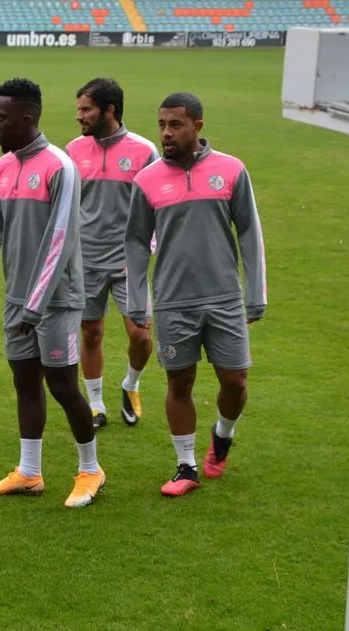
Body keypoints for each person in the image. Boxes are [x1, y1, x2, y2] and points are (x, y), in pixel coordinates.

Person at [0, 77, 105, 508]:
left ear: (26, 119)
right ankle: (29, 472)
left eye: (0, 118)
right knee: (24, 381)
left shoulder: (60, 167)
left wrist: (36, 305)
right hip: (18, 300)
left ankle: (91, 470)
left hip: (56, 300)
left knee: (62, 385)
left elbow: (61, 238)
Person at [124, 92, 267, 497]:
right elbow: (135, 242)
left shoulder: (232, 170)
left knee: (235, 381)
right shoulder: (147, 179)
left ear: (197, 127)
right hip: (173, 300)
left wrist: (255, 293)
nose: (166, 133)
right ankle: (185, 466)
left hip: (224, 298)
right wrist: (137, 300)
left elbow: (249, 232)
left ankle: (223, 434)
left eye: (175, 125)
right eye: (162, 125)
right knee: (180, 381)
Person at [66, 78, 159, 430]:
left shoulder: (144, 151)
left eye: (86, 109)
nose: (79, 116)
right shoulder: (73, 150)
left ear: (109, 110)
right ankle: (95, 404)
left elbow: (156, 205)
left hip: (127, 263)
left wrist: (147, 249)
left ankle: (131, 384)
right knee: (91, 333)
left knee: (141, 335)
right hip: (85, 261)